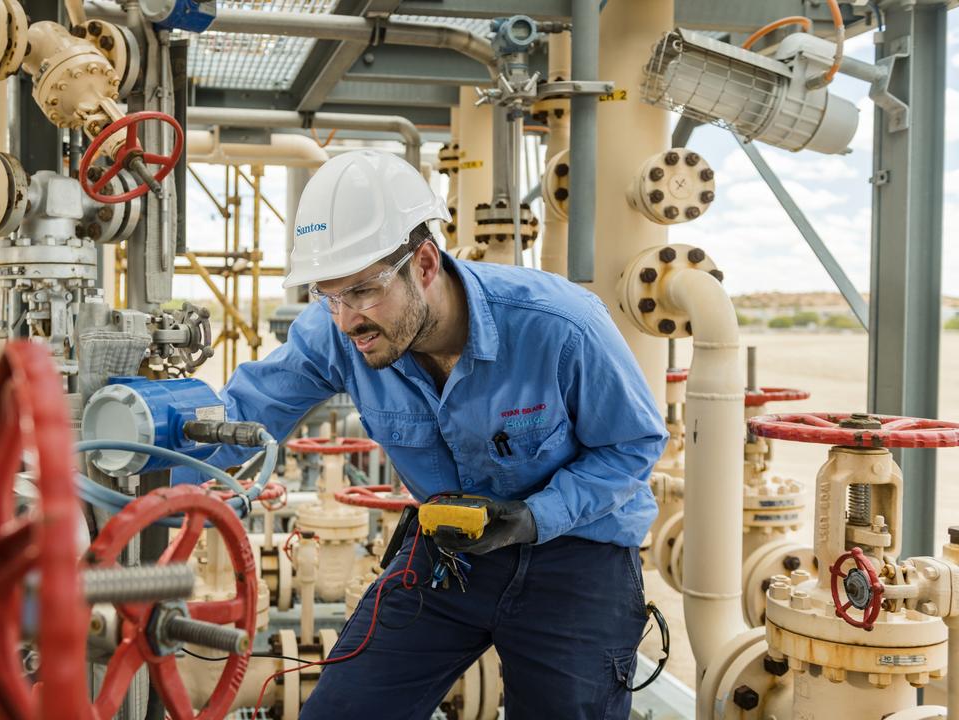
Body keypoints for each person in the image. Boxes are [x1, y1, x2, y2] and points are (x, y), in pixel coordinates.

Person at [181, 150, 667, 718]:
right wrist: (132, 443)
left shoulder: (560, 326)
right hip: (449, 554)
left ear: (426, 264)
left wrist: (536, 517)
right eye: (328, 294)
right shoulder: (340, 330)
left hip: (577, 558)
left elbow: (630, 447)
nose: (345, 320)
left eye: (362, 291)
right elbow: (243, 417)